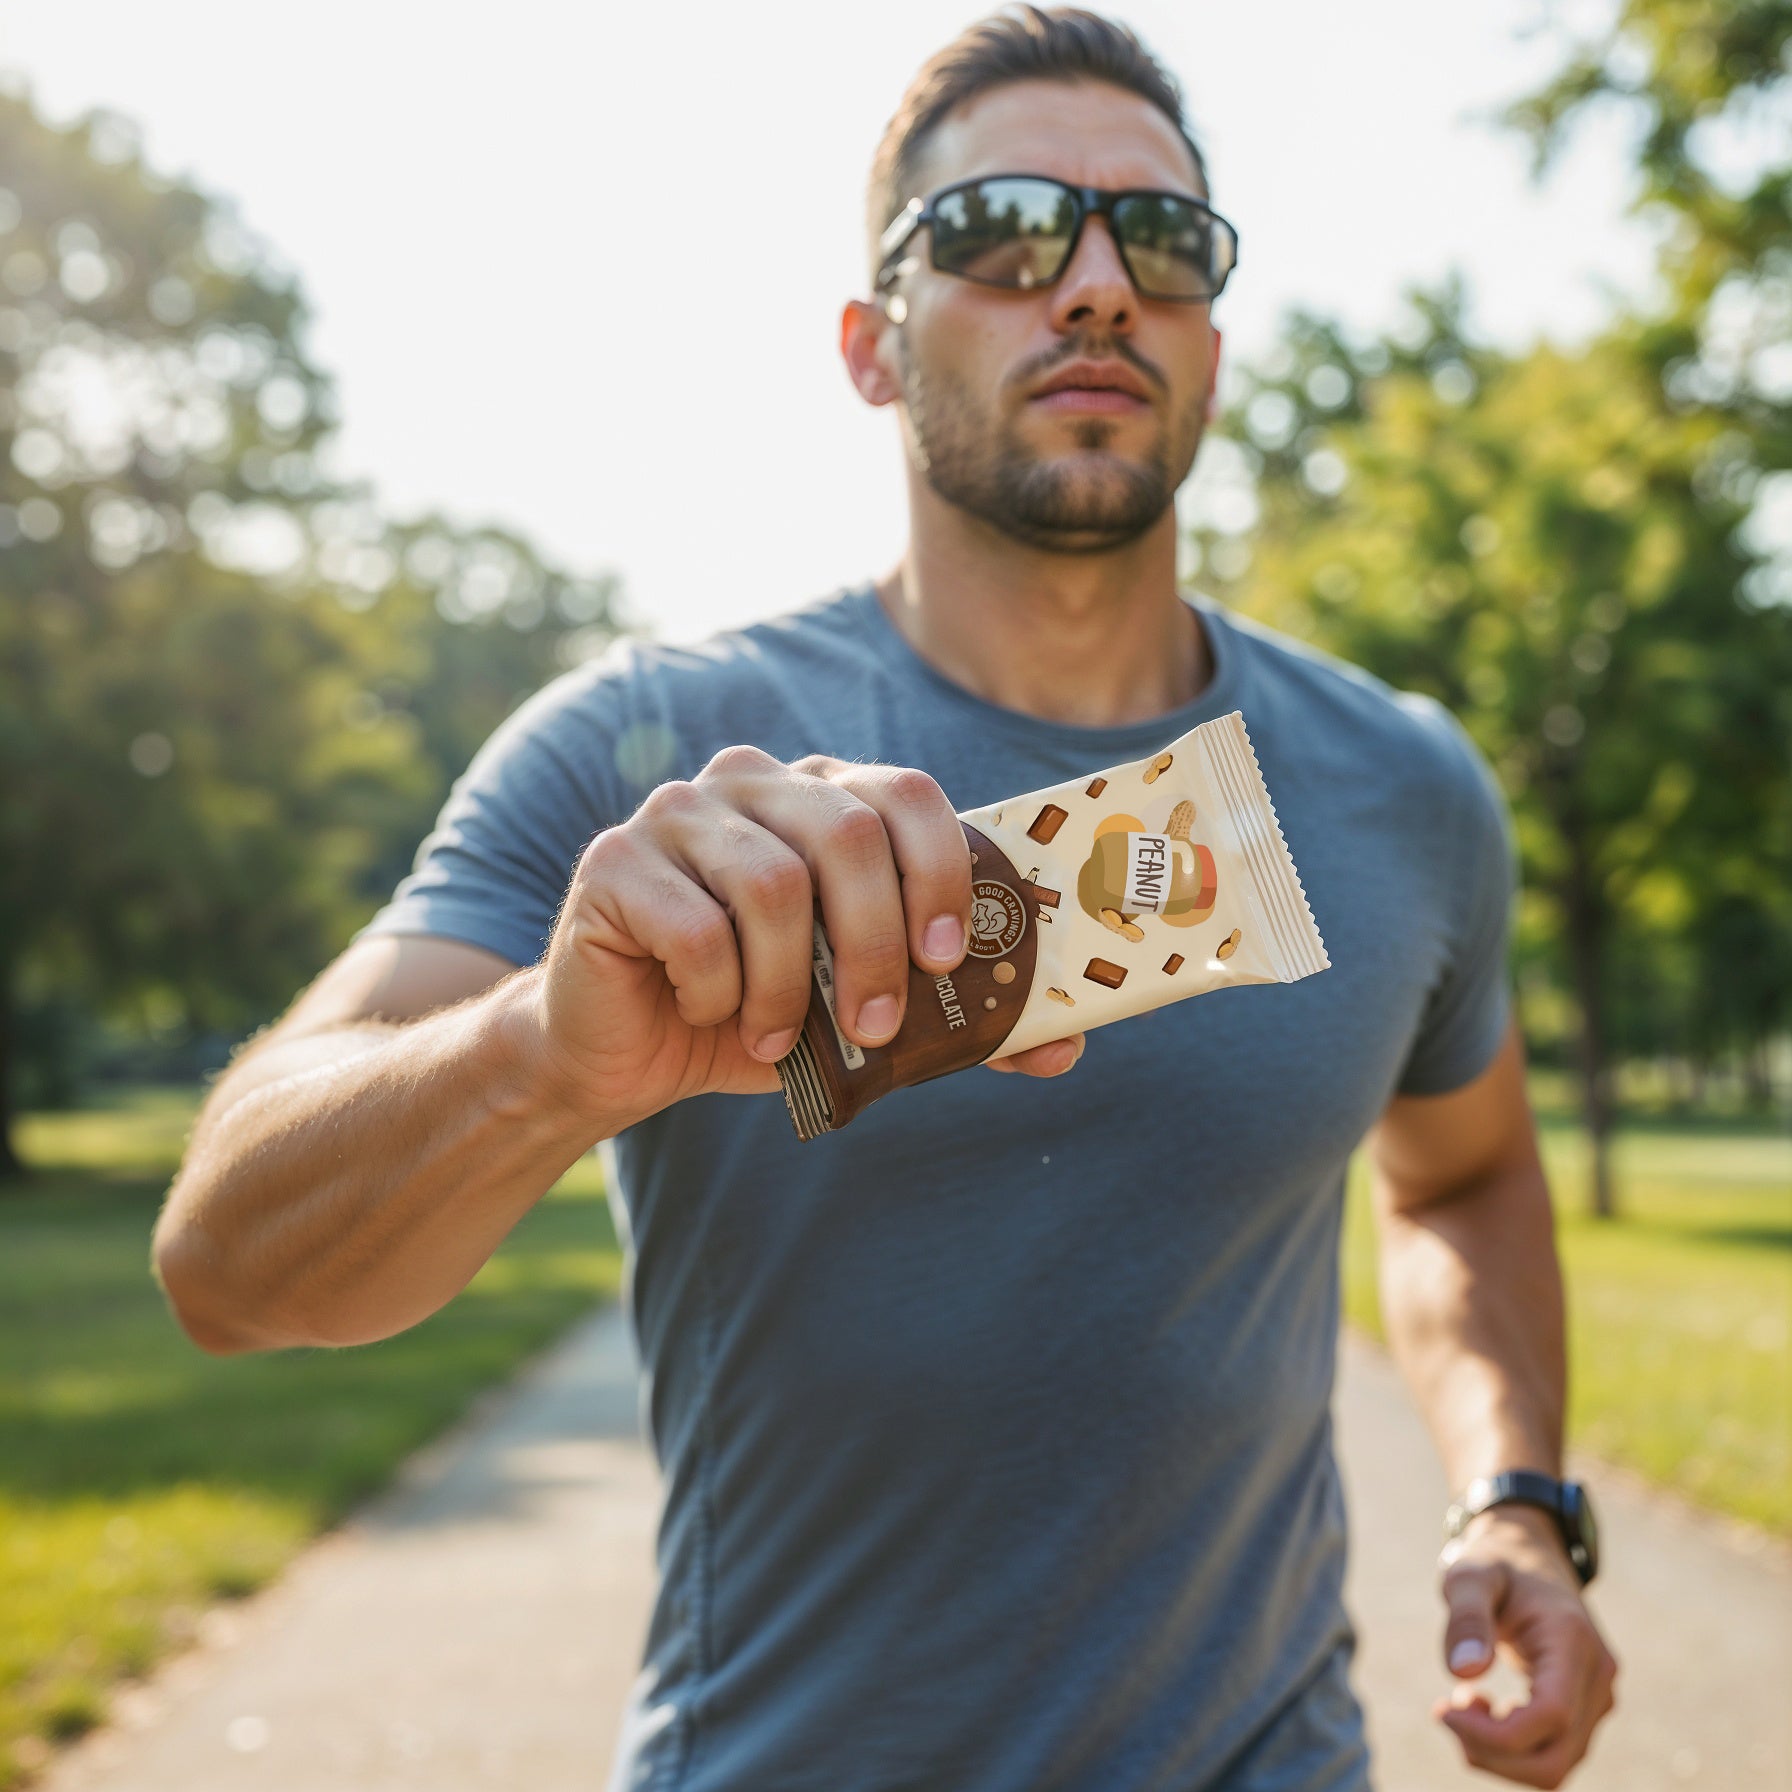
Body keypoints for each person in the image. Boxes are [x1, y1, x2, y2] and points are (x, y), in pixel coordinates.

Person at [152, 7, 1619, 1787]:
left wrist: (1516, 1502)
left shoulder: (1401, 784)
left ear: (1214, 342)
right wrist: (546, 1055)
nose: (1092, 287)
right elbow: (228, 1263)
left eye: (1159, 240)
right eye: (1002, 232)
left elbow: (1461, 1175)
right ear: (872, 344)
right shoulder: (647, 755)